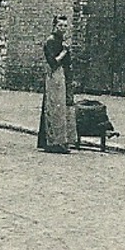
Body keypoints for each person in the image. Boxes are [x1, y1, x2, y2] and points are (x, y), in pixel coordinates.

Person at [37, 15, 78, 154]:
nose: (63, 28)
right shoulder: (51, 41)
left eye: (65, 26)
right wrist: (64, 51)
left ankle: (64, 140)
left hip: (64, 76)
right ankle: (55, 141)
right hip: (55, 77)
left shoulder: (61, 41)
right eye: (60, 26)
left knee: (65, 107)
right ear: (55, 26)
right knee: (55, 107)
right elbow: (53, 62)